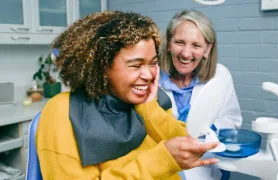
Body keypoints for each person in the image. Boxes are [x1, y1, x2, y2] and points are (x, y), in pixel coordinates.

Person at [36, 11, 220, 180]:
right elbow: (166, 157)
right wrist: (159, 160)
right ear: (102, 67)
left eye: (152, 63)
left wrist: (149, 110)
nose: (148, 75)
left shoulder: (149, 99)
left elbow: (185, 142)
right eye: (135, 65)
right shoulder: (63, 112)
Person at [159, 10, 243, 180]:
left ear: (207, 49)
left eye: (196, 45)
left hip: (205, 169)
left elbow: (233, 121)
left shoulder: (220, 76)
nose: (186, 53)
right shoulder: (150, 78)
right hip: (162, 168)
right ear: (168, 43)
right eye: (180, 42)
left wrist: (206, 129)